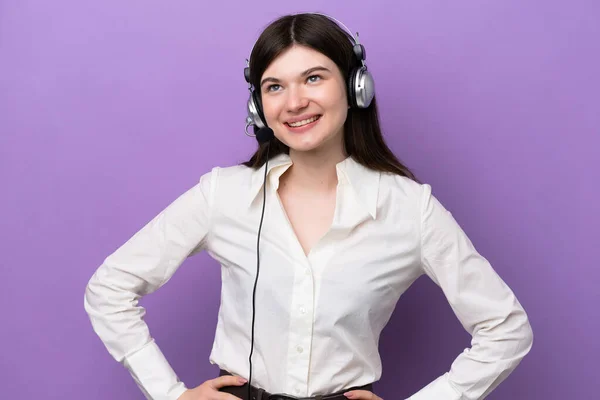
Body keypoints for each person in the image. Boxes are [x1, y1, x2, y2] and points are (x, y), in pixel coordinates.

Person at [84, 12, 533, 400]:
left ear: (356, 86)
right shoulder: (225, 194)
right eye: (274, 86)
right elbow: (110, 289)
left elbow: (506, 329)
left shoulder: (409, 209)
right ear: (258, 106)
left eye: (314, 78)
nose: (295, 102)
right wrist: (170, 393)